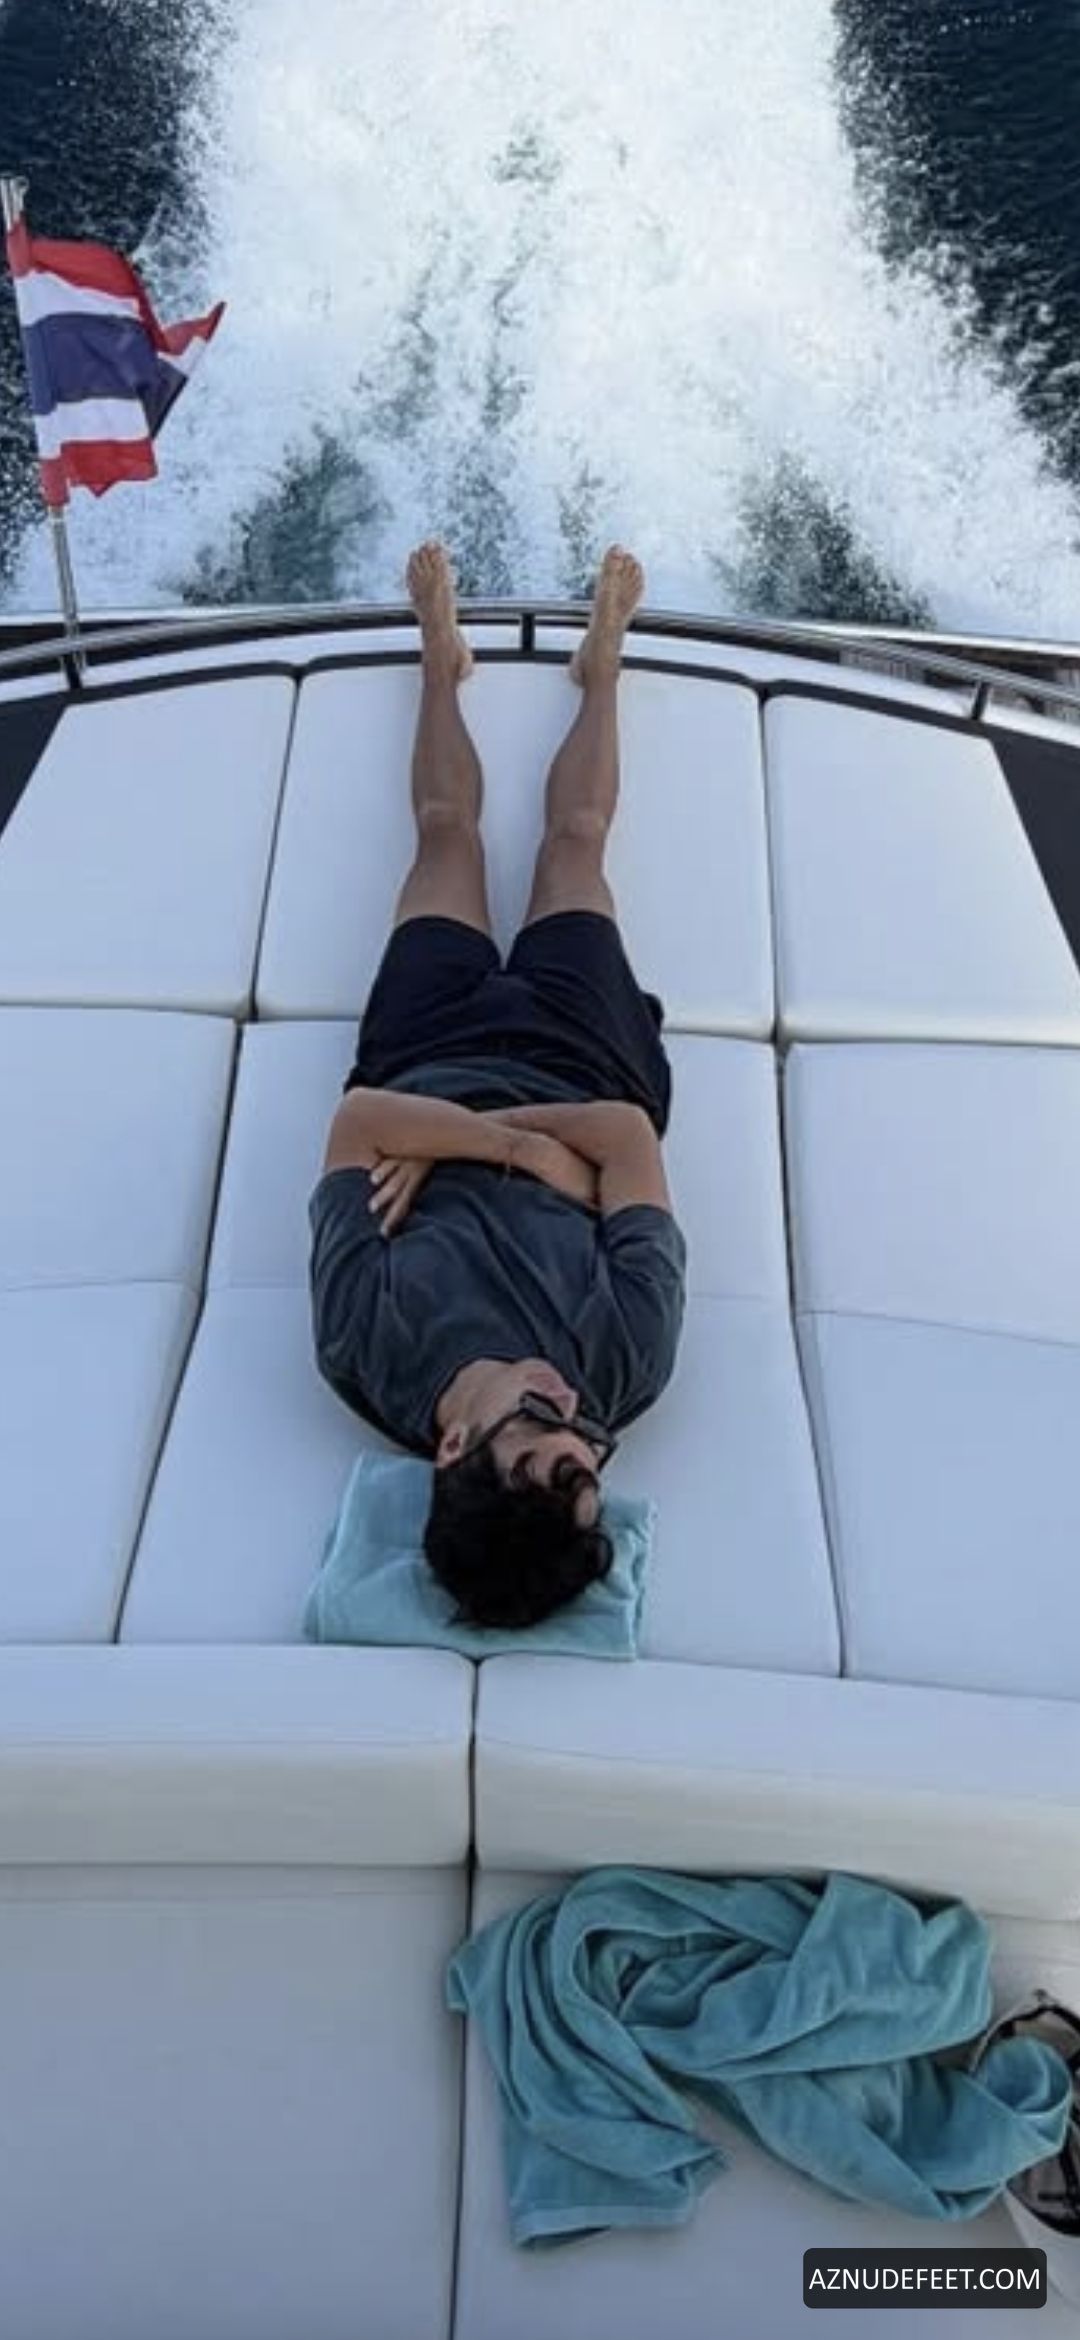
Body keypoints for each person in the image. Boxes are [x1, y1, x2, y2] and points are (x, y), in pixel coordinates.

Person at [308, 540, 687, 1629]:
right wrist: (451, 1143)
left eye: (539, 1423)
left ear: (451, 1447)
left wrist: (506, 1151)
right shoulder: (627, 1360)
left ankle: (441, 657)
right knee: (576, 843)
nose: (573, 1403)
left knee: (445, 836)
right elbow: (626, 1135)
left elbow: (355, 1120)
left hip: (420, 1053)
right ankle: (603, 666)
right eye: (591, 1445)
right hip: (585, 1058)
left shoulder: (367, 1344)